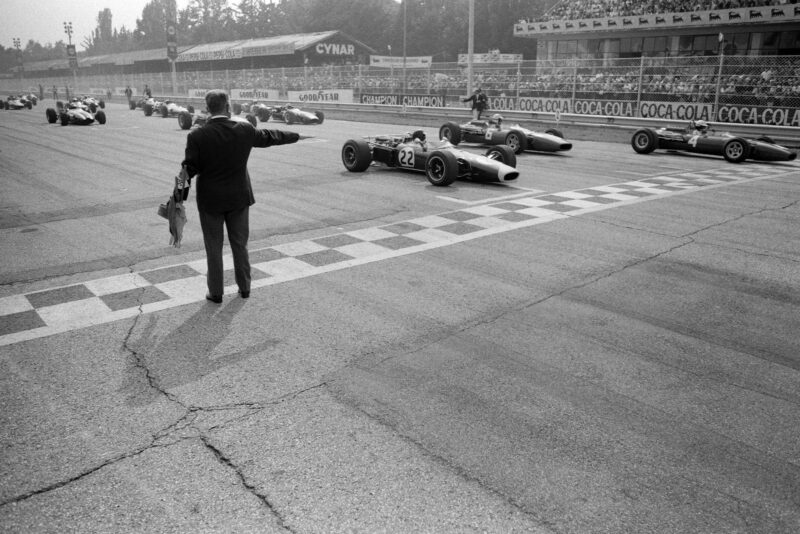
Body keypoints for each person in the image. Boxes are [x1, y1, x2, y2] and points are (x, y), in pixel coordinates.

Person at [181, 89, 300, 303]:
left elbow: (188, 169)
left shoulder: (197, 135)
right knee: (240, 244)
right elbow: (271, 137)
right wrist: (296, 136)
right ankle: (244, 288)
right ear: (228, 106)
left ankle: (216, 293)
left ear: (207, 109)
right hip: (238, 198)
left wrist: (177, 197)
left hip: (210, 201)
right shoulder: (244, 129)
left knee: (214, 247)